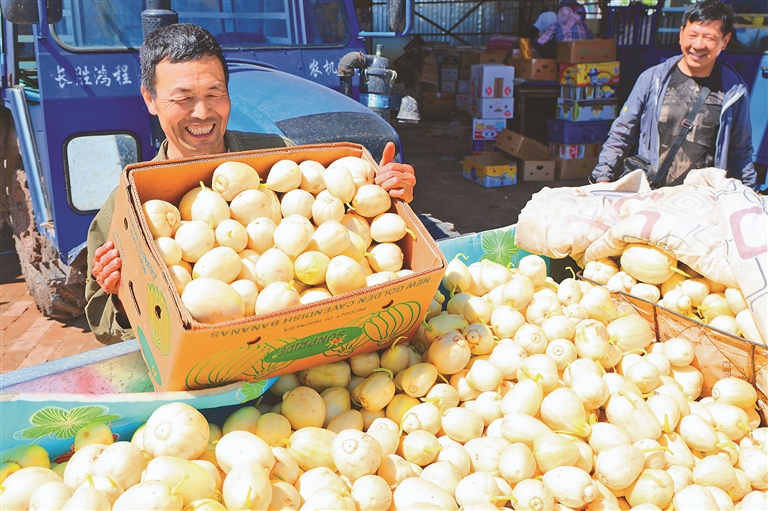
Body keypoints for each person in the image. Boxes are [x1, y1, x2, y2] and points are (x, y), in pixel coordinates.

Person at [85, 24, 416, 344]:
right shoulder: (125, 206)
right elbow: (105, 328)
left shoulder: (280, 156)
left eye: (214, 94)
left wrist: (387, 193)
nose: (201, 112)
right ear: (150, 99)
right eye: (183, 98)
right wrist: (122, 293)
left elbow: (354, 215)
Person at [591, 0, 757, 190]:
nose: (698, 45)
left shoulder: (734, 91)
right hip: (651, 196)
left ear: (725, 41)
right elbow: (621, 133)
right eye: (692, 35)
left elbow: (740, 151)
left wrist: (750, 193)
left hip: (704, 201)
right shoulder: (652, 79)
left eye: (709, 38)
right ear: (681, 34)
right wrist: (603, 177)